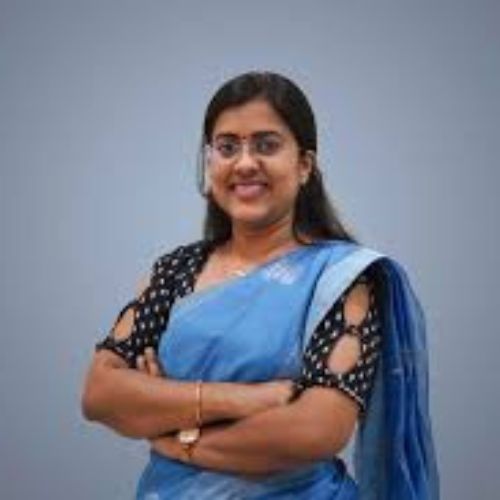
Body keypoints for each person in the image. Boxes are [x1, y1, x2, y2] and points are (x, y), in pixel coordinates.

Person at [81, 71, 439, 499]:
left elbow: (315, 431)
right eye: (227, 147)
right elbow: (101, 394)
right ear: (209, 162)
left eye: (267, 145)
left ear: (304, 165)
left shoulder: (340, 280)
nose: (245, 163)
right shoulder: (175, 272)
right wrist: (241, 399)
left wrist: (175, 434)